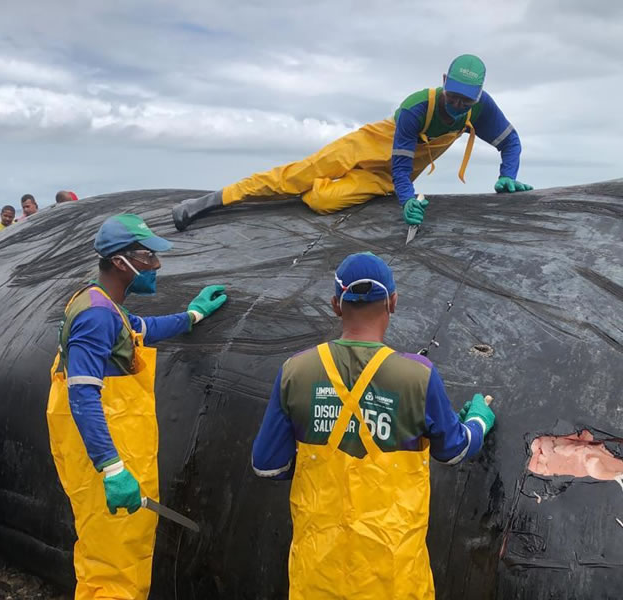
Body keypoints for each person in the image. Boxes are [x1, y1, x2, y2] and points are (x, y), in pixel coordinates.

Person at [251, 252, 496, 599]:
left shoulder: (296, 371)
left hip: (319, 576)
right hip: (395, 578)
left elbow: (267, 466)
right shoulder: (417, 377)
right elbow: (454, 451)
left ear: (336, 304)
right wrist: (477, 422)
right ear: (392, 302)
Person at [46, 214, 228, 599]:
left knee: (122, 551)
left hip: (116, 447)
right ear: (120, 261)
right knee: (113, 564)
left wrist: (192, 315)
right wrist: (111, 469)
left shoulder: (103, 306)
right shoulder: (95, 315)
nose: (155, 266)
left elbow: (139, 330)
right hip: (107, 453)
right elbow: (82, 394)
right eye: (147, 257)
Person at [172, 54, 532, 231]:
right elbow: (403, 164)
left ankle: (315, 190)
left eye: (465, 101)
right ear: (443, 82)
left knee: (322, 201)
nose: (457, 106)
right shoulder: (417, 107)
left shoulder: (481, 109)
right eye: (453, 97)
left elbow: (510, 142)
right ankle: (211, 201)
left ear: (478, 96)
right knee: (295, 176)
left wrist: (507, 174)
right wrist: (408, 200)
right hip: (370, 147)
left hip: (383, 178)